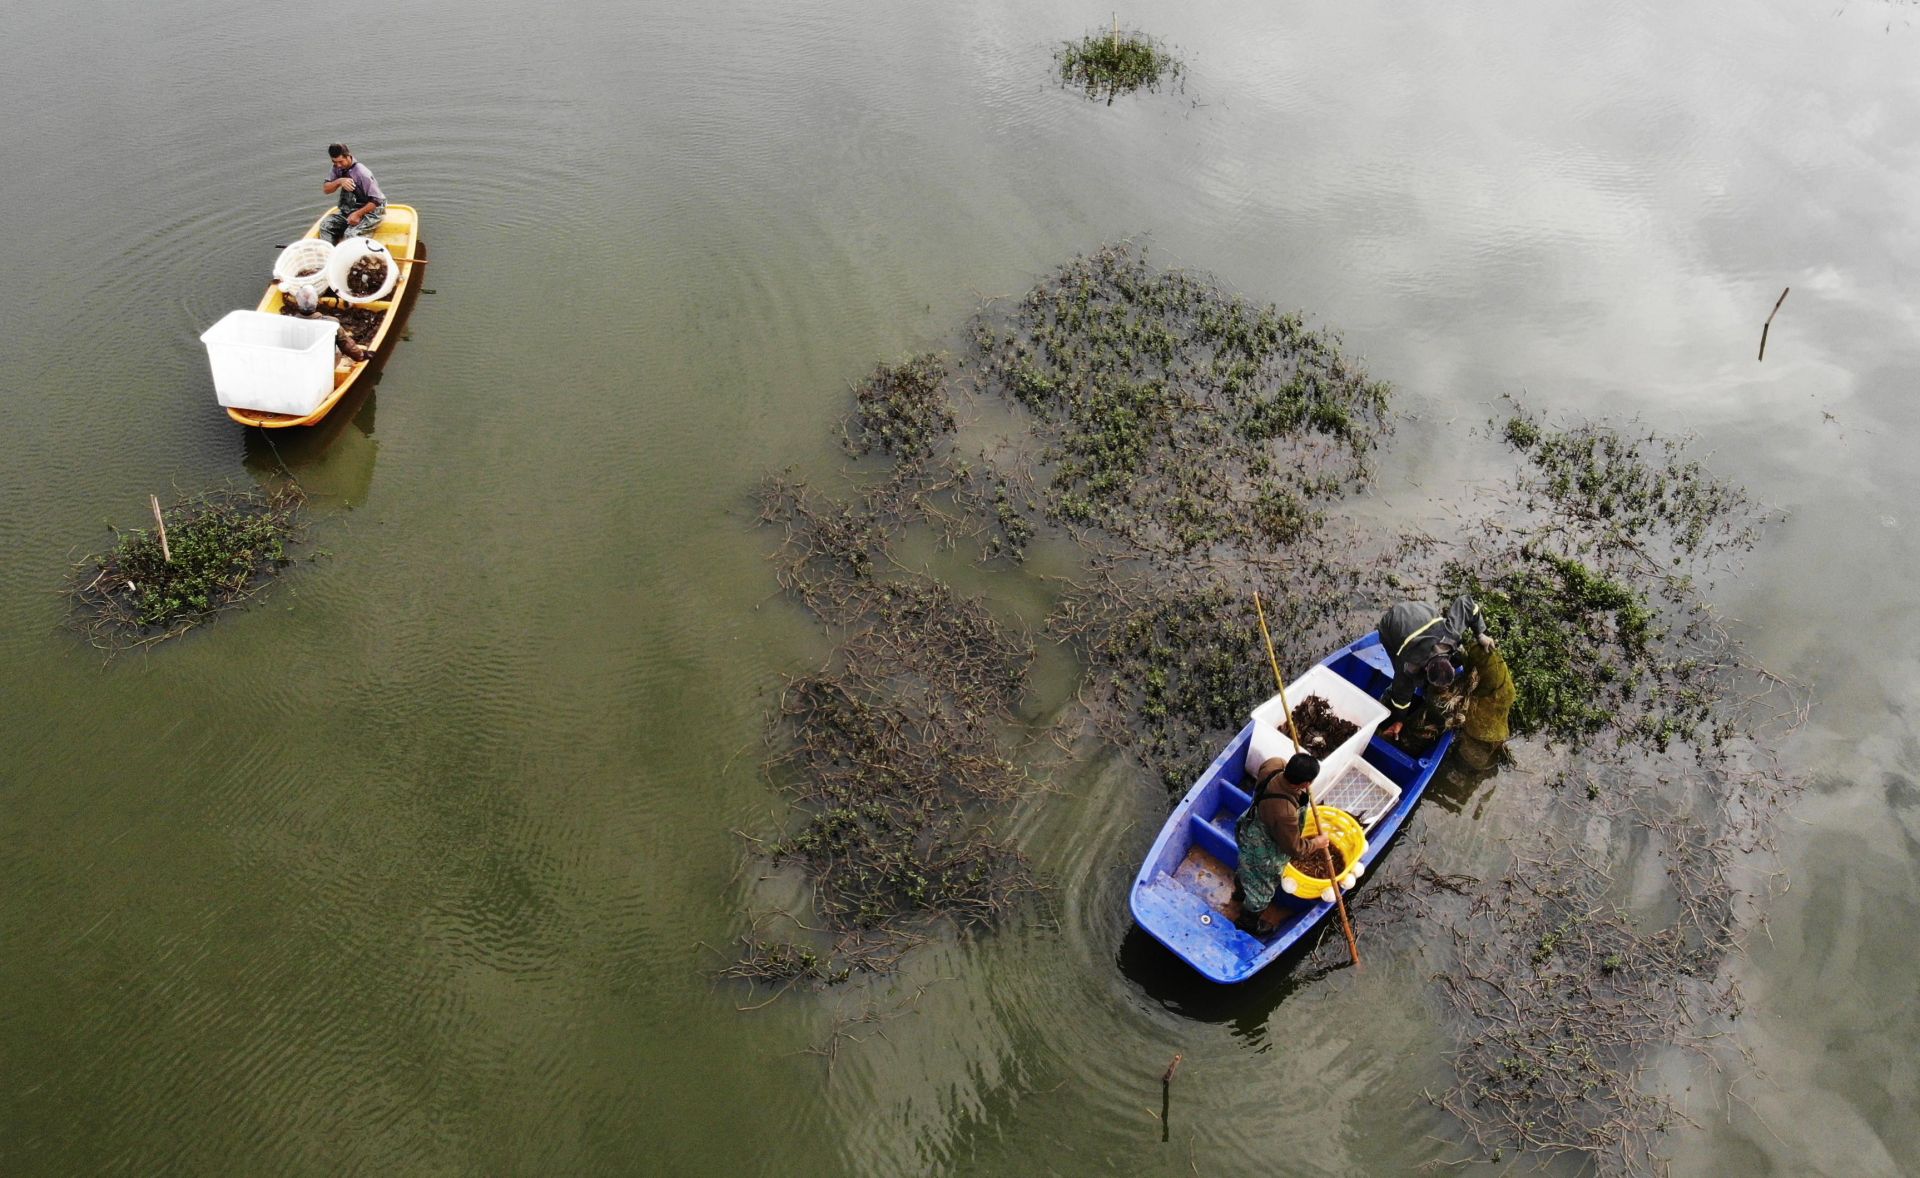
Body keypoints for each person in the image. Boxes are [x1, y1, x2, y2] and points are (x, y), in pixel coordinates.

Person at [1224, 753, 1330, 936]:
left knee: (1245, 868)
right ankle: (1247, 922)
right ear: (1306, 784)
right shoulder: (1285, 812)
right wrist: (1317, 843)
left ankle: (1239, 894)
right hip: (1262, 849)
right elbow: (1295, 849)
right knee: (1261, 891)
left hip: (1249, 827)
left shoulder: (1274, 764)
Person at [1377, 595, 1492, 741]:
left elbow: (1466, 603)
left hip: (1422, 612)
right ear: (1425, 669)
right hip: (1393, 624)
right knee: (1401, 679)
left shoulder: (1451, 634)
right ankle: (1387, 695)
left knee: (1459, 656)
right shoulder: (1408, 666)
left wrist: (1481, 634)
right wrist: (1399, 720)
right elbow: (1401, 697)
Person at [320, 143, 386, 244]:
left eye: (340, 161)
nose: (338, 165)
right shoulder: (337, 168)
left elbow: (376, 200)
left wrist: (357, 214)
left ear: (348, 156)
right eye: (334, 162)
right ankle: (331, 250)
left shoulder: (362, 173)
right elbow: (326, 189)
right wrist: (339, 181)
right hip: (351, 207)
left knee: (350, 235)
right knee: (325, 226)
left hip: (372, 209)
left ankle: (360, 244)